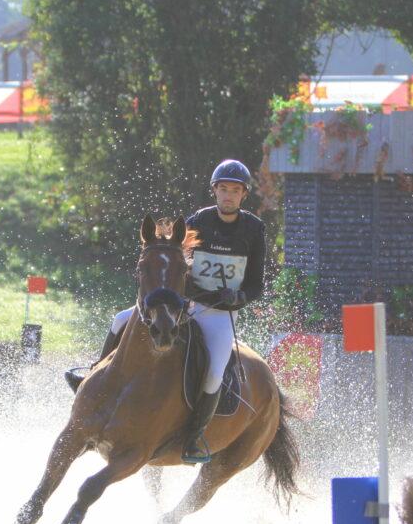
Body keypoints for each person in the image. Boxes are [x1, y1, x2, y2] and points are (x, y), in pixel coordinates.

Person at [64, 159, 266, 464]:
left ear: (243, 195)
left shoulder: (254, 229)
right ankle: (91, 379)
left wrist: (237, 296)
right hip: (188, 304)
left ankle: (195, 436)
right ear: (215, 191)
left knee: (214, 372)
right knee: (120, 319)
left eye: (235, 191)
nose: (228, 195)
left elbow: (256, 285)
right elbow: (174, 266)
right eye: (223, 189)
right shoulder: (199, 220)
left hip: (220, 314)